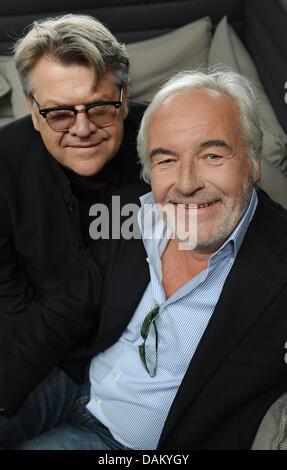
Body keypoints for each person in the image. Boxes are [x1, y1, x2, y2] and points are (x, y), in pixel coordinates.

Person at [0, 67, 287, 450]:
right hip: (74, 380)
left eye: (213, 154)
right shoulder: (131, 210)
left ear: (253, 164)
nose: (186, 184)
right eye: (166, 160)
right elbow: (59, 313)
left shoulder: (279, 262)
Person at [0, 14, 146, 316]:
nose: (82, 129)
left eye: (100, 108)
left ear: (124, 98)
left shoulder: (168, 140)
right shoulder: (4, 162)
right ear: (33, 111)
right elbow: (8, 300)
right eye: (59, 113)